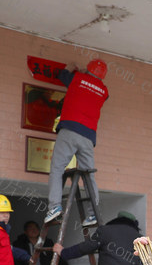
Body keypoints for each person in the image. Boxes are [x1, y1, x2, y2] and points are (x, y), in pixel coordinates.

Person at [44, 59, 109, 228]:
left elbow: (62, 75)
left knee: (57, 169)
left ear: (88, 70)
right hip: (88, 137)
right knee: (89, 175)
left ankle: (54, 207)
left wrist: (72, 67)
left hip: (69, 130)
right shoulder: (104, 91)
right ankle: (93, 213)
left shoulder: (77, 78)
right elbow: (98, 91)